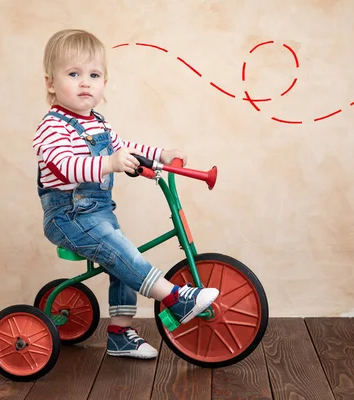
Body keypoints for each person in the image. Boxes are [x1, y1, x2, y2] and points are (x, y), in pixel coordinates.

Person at [32, 29, 219, 359]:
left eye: (94, 75)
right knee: (122, 254)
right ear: (51, 83)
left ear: (104, 82)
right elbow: (64, 166)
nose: (85, 83)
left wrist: (160, 154)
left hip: (98, 214)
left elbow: (126, 148)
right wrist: (109, 163)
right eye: (74, 74)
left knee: (122, 255)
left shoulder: (99, 124)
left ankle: (119, 333)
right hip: (68, 216)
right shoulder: (52, 127)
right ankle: (175, 299)